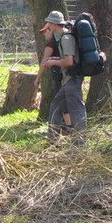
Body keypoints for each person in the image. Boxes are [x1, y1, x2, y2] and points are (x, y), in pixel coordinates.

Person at [39, 11, 86, 139]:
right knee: (55, 105)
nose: (48, 25)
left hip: (72, 79)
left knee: (76, 110)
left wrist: (53, 62)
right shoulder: (62, 38)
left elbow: (69, 61)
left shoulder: (66, 38)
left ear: (54, 24)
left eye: (49, 23)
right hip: (67, 80)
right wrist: (54, 59)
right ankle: (52, 140)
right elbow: (66, 58)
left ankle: (80, 143)